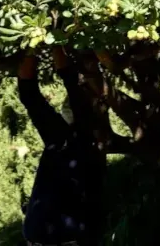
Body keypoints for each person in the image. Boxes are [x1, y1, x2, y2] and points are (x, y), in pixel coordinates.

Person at [17, 49, 106, 246]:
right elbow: (31, 93)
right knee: (35, 95)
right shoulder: (75, 137)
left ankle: (38, 43)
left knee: (39, 94)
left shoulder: (71, 137)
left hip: (56, 231)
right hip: (54, 231)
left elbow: (33, 93)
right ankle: (38, 44)